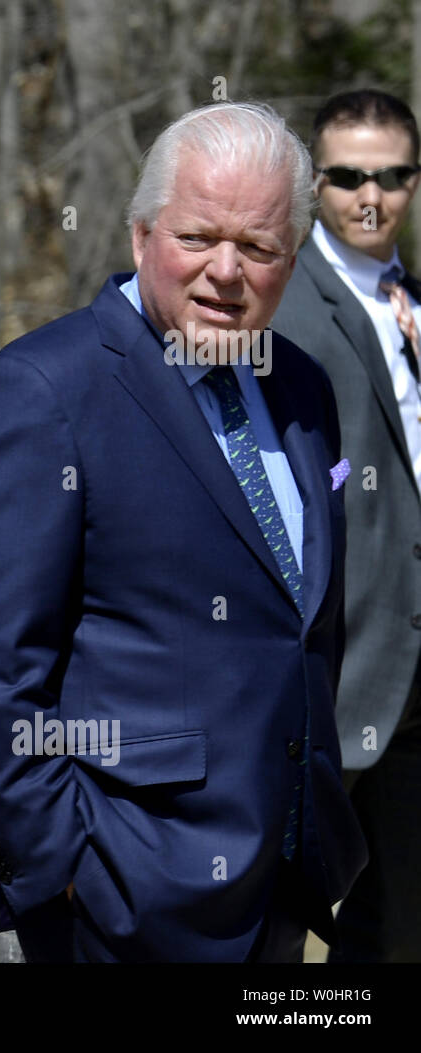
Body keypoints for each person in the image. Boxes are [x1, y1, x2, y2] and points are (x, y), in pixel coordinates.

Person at [0, 102, 367, 962]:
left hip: (279, 886)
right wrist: (67, 866)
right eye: (197, 237)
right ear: (139, 236)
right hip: (118, 901)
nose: (226, 272)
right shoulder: (41, 395)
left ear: (294, 259)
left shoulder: (302, 391)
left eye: (261, 248)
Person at [270, 89, 421, 962]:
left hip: (413, 672)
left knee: (395, 924)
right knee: (281, 921)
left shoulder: (410, 298)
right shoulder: (284, 303)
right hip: (333, 663)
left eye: (392, 175)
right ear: (316, 180)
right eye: (348, 176)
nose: (371, 195)